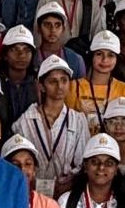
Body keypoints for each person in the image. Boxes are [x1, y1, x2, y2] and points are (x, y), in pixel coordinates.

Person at [10, 54, 90, 198]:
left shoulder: (78, 120)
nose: (59, 86)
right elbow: (19, 162)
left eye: (64, 80)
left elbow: (83, 163)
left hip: (67, 194)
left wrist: (67, 184)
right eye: (53, 81)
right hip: (31, 193)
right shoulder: (25, 121)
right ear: (41, 86)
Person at [67, 30, 125, 133]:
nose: (105, 60)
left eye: (111, 55)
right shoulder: (73, 87)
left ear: (117, 59)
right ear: (91, 56)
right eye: (99, 54)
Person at [32, 0, 87, 80]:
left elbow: (81, 87)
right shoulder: (30, 59)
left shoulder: (76, 60)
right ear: (38, 28)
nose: (53, 30)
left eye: (57, 25)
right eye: (47, 24)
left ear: (63, 29)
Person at [0, 25, 38, 134]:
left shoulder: (38, 84)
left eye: (27, 50)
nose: (21, 55)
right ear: (5, 55)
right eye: (14, 49)